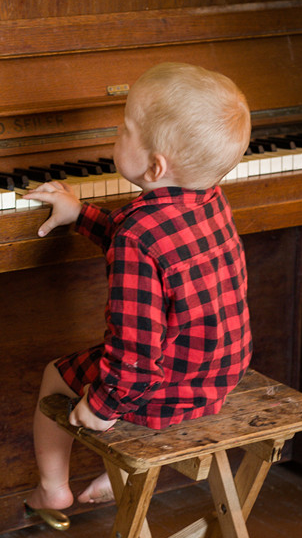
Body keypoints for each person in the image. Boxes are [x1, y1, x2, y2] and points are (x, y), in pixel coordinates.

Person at [23, 62, 253, 511]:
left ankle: (53, 488)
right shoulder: (208, 198)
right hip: (221, 371)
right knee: (126, 378)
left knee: (55, 376)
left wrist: (102, 408)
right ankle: (126, 470)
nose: (116, 131)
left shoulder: (136, 236)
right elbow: (155, 252)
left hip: (164, 385)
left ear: (155, 166)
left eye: (124, 128)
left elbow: (136, 355)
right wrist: (82, 215)